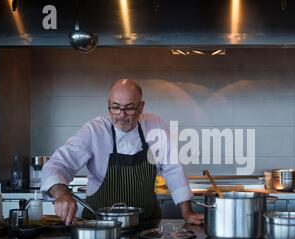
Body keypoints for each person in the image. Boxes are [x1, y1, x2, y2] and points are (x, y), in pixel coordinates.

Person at [41, 79, 204, 226]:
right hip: (100, 226)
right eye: (115, 107)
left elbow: (172, 168)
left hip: (146, 225)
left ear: (141, 106)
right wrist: (61, 193)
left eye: (129, 108)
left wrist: (187, 212)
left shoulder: (155, 125)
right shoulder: (94, 130)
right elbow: (58, 163)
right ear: (108, 104)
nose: (121, 115)